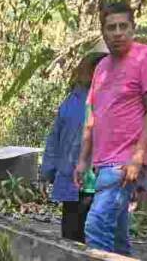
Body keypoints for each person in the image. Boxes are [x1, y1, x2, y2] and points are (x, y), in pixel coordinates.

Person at [74, 2, 147, 255]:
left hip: (124, 163)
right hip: (104, 161)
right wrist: (83, 160)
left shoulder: (146, 58)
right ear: (103, 32)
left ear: (133, 28)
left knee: (96, 226)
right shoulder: (102, 68)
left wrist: (138, 155)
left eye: (123, 26)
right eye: (111, 27)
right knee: (116, 237)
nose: (117, 33)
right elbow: (93, 117)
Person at [41, 52, 106, 241]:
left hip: (97, 180)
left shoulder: (107, 101)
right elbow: (55, 138)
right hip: (76, 178)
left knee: (88, 235)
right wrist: (48, 172)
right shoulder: (74, 102)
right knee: (74, 234)